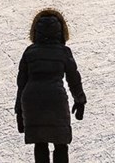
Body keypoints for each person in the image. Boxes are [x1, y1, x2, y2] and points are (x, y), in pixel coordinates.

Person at [15, 9, 86, 163]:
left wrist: (19, 112)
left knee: (40, 144)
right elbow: (74, 79)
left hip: (32, 101)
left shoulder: (29, 52)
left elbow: (21, 84)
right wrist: (80, 100)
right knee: (61, 144)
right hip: (56, 100)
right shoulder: (63, 52)